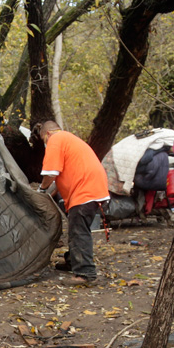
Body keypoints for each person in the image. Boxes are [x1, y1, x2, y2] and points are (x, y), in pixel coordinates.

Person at [38, 121, 110, 285]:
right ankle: (73, 261)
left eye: (43, 140)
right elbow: (59, 179)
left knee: (78, 232)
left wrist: (41, 191)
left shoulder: (55, 140)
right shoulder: (69, 140)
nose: (45, 144)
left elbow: (50, 174)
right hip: (95, 190)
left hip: (85, 192)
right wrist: (49, 193)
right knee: (77, 228)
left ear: (47, 134)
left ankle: (85, 274)